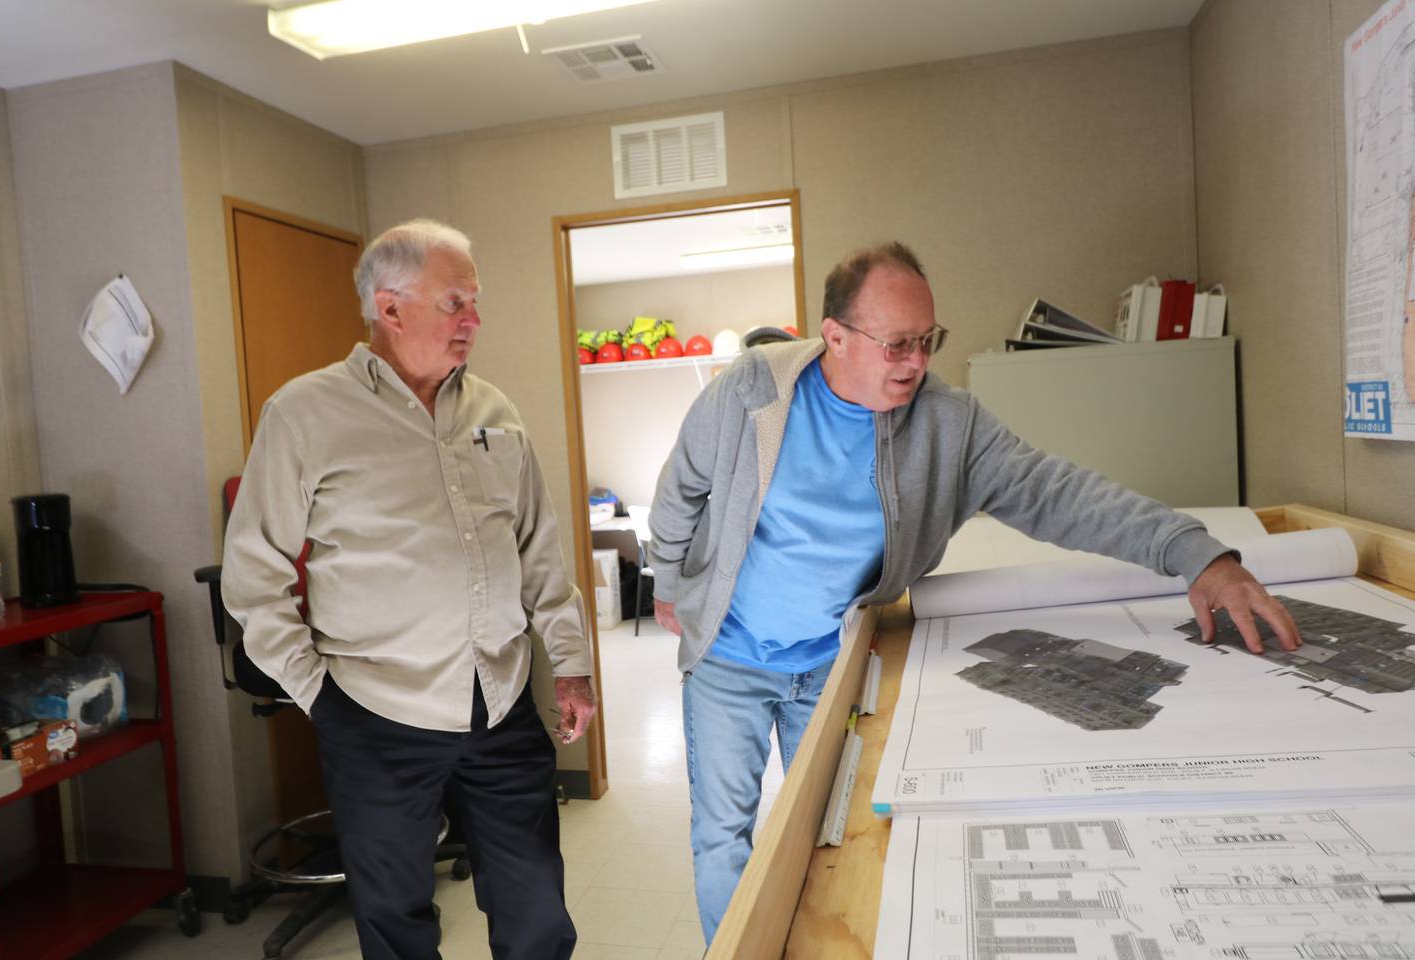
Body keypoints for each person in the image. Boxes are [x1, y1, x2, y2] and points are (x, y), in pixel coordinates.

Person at [648, 241, 1300, 944]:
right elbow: (681, 488)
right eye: (898, 344)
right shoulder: (751, 390)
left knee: (821, 840)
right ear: (835, 337)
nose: (918, 363)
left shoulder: (948, 424)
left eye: (929, 341)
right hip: (731, 658)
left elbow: (1058, 492)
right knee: (722, 837)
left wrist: (1194, 554)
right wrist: (670, 581)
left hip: (832, 663)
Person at [221, 219, 597, 960]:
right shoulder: (303, 413)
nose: (474, 320)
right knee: (395, 924)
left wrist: (572, 662)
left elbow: (539, 550)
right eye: (455, 302)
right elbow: (252, 573)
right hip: (374, 714)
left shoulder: (495, 411)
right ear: (389, 309)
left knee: (537, 913)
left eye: (475, 302)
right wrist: (319, 696)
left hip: (500, 700)